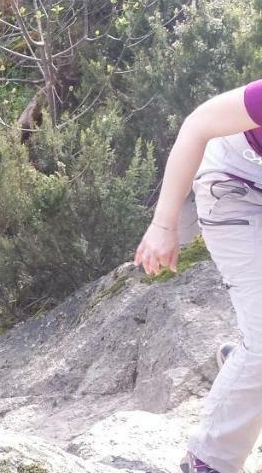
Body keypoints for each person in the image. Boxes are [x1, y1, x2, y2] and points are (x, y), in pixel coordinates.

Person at [134, 81, 262, 473]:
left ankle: (243, 366)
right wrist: (163, 224)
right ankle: (208, 459)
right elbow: (196, 125)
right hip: (232, 187)